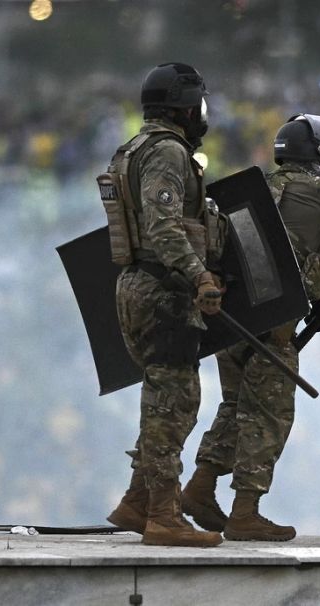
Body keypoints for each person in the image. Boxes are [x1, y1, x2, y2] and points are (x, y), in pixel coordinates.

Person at [180, 114, 320, 541]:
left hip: (235, 323)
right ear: (318, 154)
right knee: (268, 416)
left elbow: (291, 245)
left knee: (235, 407)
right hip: (274, 329)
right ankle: (246, 511)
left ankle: (200, 488)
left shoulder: (256, 188)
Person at [104, 62, 225, 547]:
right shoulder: (168, 153)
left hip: (136, 283)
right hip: (164, 290)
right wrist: (200, 276)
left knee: (164, 402)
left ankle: (136, 502)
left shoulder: (130, 148)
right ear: (183, 107)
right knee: (172, 406)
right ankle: (162, 516)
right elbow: (162, 225)